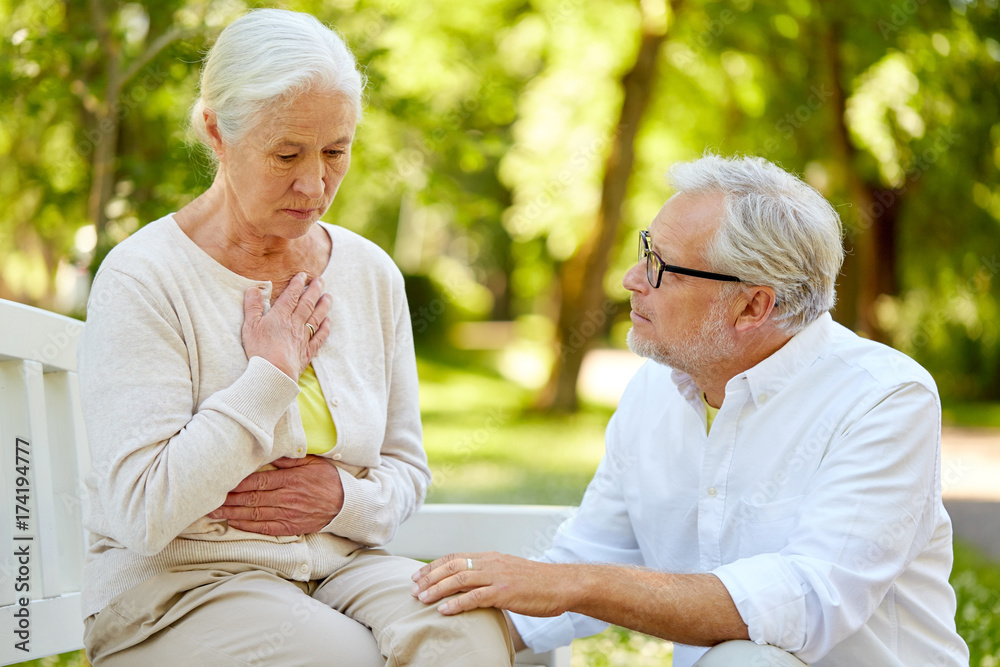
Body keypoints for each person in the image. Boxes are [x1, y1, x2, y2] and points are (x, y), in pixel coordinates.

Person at [412, 154, 970, 666]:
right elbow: (587, 557)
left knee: (746, 659)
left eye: (659, 266)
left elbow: (805, 602)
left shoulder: (884, 398)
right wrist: (436, 628)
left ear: (752, 305)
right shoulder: (653, 392)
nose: (631, 280)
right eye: (643, 249)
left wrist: (575, 584)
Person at [77, 9, 512, 666]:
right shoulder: (145, 276)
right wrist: (269, 376)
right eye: (287, 153)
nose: (315, 184)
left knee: (469, 630)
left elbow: (404, 467)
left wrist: (344, 498)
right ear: (218, 132)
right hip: (181, 588)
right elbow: (143, 512)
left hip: (341, 568)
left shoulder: (369, 272)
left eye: (336, 151)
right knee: (339, 657)